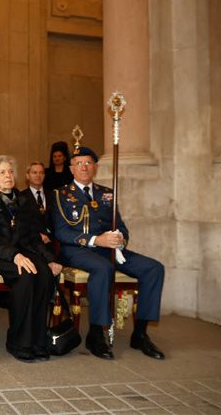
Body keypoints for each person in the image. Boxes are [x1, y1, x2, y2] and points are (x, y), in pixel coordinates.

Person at [50, 146, 165, 360]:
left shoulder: (107, 194)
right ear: (71, 168)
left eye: (88, 163)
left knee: (154, 268)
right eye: (79, 163)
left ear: (94, 167)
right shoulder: (60, 195)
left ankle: (140, 334)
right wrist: (97, 240)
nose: (84, 167)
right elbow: (62, 232)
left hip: (110, 250)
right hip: (77, 250)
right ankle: (96, 334)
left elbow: (121, 226)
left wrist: (119, 239)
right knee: (103, 268)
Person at [0, 155, 61, 362]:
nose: (7, 176)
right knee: (25, 276)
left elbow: (33, 236)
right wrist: (14, 255)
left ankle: (38, 340)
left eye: (10, 171)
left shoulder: (24, 201)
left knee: (44, 273)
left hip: (20, 252)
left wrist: (49, 258)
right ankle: (19, 341)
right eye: (2, 172)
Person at [19, 162, 52, 245]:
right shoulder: (20, 197)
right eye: (34, 172)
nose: (38, 175)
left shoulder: (53, 196)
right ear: (27, 176)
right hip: (32, 243)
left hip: (53, 242)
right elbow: (22, 224)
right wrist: (37, 235)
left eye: (41, 173)